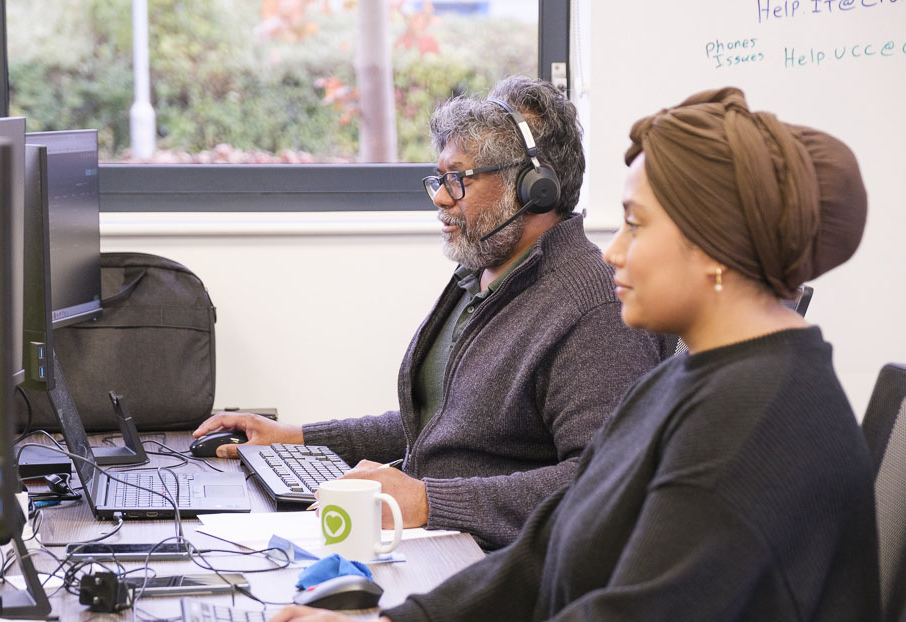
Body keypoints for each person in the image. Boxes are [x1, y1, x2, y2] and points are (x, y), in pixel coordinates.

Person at [251, 87, 882, 622]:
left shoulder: (755, 422)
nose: (612, 250)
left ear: (713, 246)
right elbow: (551, 543)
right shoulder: (697, 376)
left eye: (636, 224)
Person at [194, 76, 668, 549]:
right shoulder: (479, 276)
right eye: (440, 179)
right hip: (428, 542)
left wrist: (426, 501)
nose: (441, 196)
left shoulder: (592, 309)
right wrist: (296, 437)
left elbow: (601, 483)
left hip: (490, 565)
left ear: (534, 188)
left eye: (458, 178)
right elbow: (439, 419)